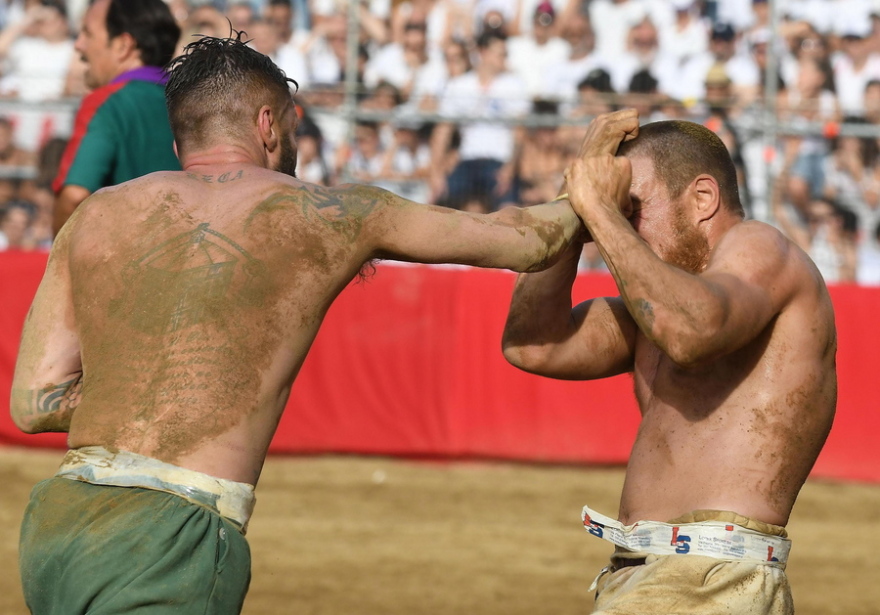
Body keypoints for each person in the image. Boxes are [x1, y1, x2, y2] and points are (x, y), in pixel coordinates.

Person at [11, 33, 588, 615]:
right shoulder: (330, 212)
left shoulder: (97, 214)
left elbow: (33, 403)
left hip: (58, 524)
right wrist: (592, 187)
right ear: (267, 124)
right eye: (290, 128)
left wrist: (133, 395)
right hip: (171, 536)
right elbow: (527, 241)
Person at [502, 109, 837, 614]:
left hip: (710, 579)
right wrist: (574, 204)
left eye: (633, 207)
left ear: (703, 199)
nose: (623, 224)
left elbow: (692, 332)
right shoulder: (657, 311)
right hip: (661, 576)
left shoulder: (759, 245)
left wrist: (599, 211)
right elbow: (532, 344)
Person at [51, 0, 182, 236]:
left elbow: (74, 196)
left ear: (123, 45)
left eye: (88, 33)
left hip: (123, 264)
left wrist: (61, 266)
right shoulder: (195, 102)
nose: (79, 45)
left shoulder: (108, 103)